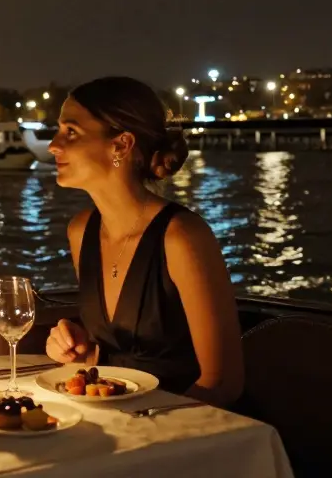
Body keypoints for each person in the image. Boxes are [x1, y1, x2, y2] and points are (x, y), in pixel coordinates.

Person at [44, 76, 244, 406]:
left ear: (121, 145)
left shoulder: (182, 237)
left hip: (189, 432)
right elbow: (113, 361)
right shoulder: (81, 231)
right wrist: (84, 350)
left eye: (71, 132)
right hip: (120, 421)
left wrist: (150, 429)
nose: (54, 144)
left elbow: (222, 382)